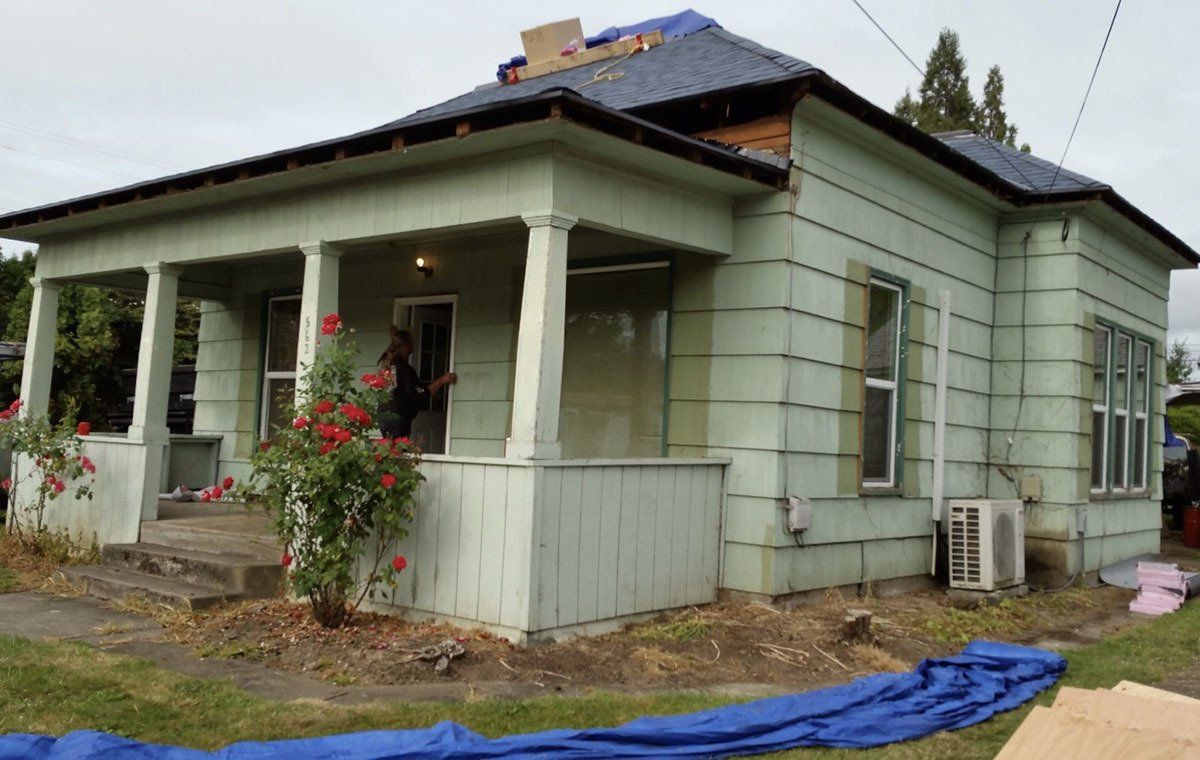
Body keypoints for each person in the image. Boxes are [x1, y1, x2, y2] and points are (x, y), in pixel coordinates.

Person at [376, 325, 456, 441]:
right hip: (397, 418)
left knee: (388, 449)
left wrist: (395, 337)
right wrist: (443, 379)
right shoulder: (404, 369)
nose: (414, 343)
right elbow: (420, 395)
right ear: (406, 345)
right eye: (412, 341)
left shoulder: (386, 363)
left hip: (383, 416)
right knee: (398, 452)